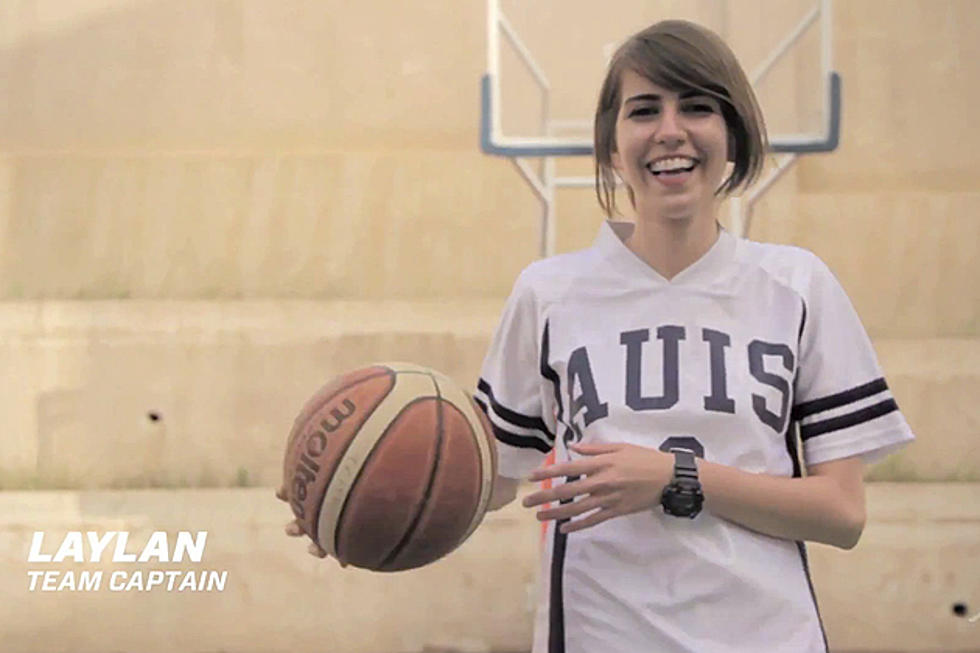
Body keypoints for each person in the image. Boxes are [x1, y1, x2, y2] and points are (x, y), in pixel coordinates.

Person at [472, 19, 914, 653]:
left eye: (697, 107)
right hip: (603, 633)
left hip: (766, 636)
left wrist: (678, 476)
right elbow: (487, 482)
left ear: (731, 133)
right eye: (643, 110)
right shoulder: (548, 294)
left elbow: (842, 515)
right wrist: (350, 506)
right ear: (610, 146)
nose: (670, 130)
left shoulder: (797, 286)